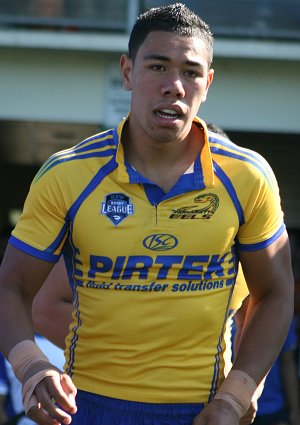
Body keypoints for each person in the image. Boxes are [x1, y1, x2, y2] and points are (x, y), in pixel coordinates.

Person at [0, 3, 294, 425]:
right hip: (88, 407)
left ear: (208, 83)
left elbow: (275, 293)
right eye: (157, 66)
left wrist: (236, 394)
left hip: (204, 411)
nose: (174, 85)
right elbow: (11, 285)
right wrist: (31, 366)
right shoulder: (68, 174)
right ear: (127, 72)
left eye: (191, 72)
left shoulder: (247, 176)